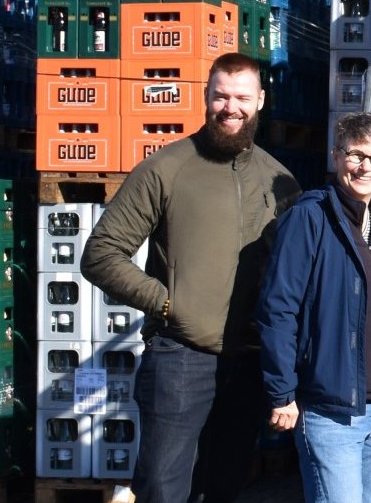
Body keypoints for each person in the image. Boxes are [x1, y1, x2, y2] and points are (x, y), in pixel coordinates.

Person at [82, 52, 300, 503]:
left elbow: (295, 274)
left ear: (260, 100)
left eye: (242, 97)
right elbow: (101, 254)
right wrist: (167, 304)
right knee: (164, 488)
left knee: (223, 486)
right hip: (180, 357)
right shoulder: (167, 168)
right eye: (221, 96)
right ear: (206, 97)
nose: (231, 107)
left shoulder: (279, 180)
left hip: (247, 363)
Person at [258, 112, 371, 503]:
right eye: (356, 155)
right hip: (332, 414)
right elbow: (278, 310)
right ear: (336, 156)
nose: (366, 166)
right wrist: (282, 391)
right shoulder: (309, 219)